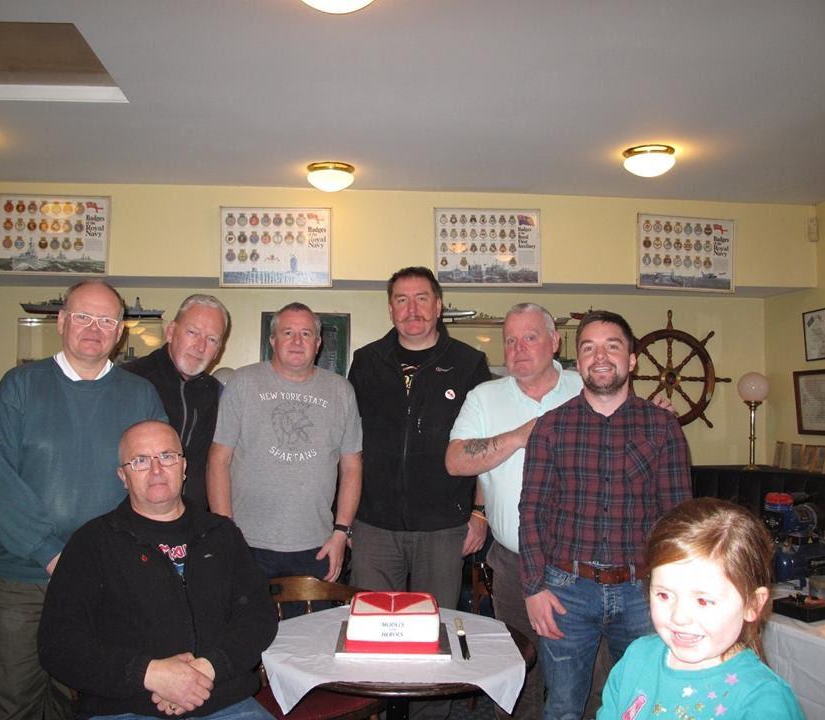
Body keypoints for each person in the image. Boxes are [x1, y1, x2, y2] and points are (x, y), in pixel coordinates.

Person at [0, 279, 167, 720]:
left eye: (106, 320)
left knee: (76, 700)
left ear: (120, 331)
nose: (94, 328)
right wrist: (49, 553)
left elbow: (157, 481)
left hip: (103, 580)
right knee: (11, 700)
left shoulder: (140, 396)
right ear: (60, 321)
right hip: (22, 580)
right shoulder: (19, 386)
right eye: (83, 316)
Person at [38, 420, 277, 720]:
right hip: (125, 709)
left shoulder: (222, 534)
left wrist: (206, 670)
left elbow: (258, 618)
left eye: (167, 456)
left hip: (224, 701)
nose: (156, 470)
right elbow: (58, 644)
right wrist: (149, 674)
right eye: (140, 460)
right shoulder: (91, 543)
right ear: (123, 477)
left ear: (184, 467)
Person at [519, 309, 692, 720]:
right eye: (588, 348)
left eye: (612, 347)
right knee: (562, 706)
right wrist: (533, 588)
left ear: (632, 360)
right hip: (566, 592)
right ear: (577, 361)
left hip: (642, 593)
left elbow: (678, 519)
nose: (599, 357)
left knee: (646, 705)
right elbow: (532, 511)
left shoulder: (663, 428)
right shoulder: (551, 428)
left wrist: (676, 591)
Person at [446, 302, 582, 719]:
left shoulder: (586, 387)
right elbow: (455, 461)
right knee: (520, 671)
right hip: (513, 562)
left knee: (585, 676)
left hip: (582, 564)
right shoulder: (485, 397)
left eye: (530, 337)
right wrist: (521, 436)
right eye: (510, 340)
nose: (518, 348)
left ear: (555, 342)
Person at [348, 266, 491, 610]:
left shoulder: (469, 363)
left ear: (438, 306)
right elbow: (347, 446)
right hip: (373, 526)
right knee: (372, 624)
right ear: (391, 309)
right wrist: (345, 520)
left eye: (422, 299)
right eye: (402, 300)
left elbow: (485, 445)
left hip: (443, 528)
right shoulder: (366, 361)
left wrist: (480, 513)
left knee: (435, 625)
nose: (412, 309)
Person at [597, 498, 805, 720]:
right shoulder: (637, 657)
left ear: (752, 604)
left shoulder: (763, 702)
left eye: (703, 601)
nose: (679, 617)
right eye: (664, 595)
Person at [206, 302, 361, 585]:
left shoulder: (341, 391)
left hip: (318, 545)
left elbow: (352, 467)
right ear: (272, 340)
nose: (297, 341)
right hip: (246, 543)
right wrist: (225, 533)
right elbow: (218, 459)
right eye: (288, 333)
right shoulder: (242, 383)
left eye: (306, 334)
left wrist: (341, 532)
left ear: (318, 343)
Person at [124, 294, 229, 509]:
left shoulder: (216, 393)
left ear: (218, 352)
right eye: (192, 333)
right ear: (171, 332)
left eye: (211, 339)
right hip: (135, 518)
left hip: (193, 520)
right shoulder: (130, 382)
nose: (200, 346)